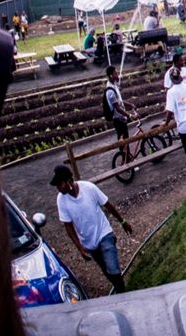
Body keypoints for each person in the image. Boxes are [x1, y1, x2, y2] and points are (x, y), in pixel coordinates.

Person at [51, 165, 134, 293]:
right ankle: (119, 289)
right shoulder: (61, 200)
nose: (58, 188)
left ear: (69, 182)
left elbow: (107, 204)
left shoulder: (89, 188)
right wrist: (80, 248)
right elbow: (68, 226)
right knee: (106, 271)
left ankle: (123, 295)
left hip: (104, 232)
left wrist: (123, 222)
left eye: (60, 184)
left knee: (112, 268)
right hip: (89, 242)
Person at [103, 66, 133, 163]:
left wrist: (130, 104)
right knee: (123, 142)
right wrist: (129, 115)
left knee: (125, 141)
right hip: (118, 120)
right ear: (111, 76)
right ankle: (125, 163)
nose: (117, 75)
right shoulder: (110, 91)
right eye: (115, 73)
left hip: (121, 119)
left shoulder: (114, 86)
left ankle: (127, 159)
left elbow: (119, 101)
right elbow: (117, 108)